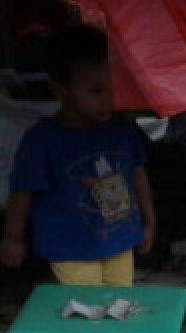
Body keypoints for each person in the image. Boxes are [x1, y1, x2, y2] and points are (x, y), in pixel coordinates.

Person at [1, 27, 155, 286]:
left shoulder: (121, 129)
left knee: (121, 306)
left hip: (120, 241)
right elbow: (22, 192)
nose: (108, 100)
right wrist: (13, 238)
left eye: (112, 88)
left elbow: (138, 174)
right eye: (96, 91)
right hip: (70, 249)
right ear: (60, 92)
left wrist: (149, 221)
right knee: (90, 315)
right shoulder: (43, 140)